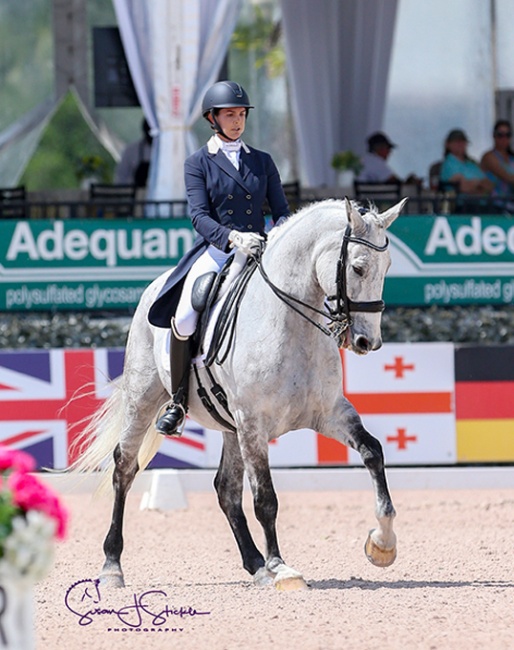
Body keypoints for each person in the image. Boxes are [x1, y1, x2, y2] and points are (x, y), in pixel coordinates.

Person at [148, 80, 290, 437]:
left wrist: (277, 238)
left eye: (241, 114)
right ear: (213, 118)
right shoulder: (198, 162)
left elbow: (283, 211)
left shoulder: (262, 161)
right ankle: (179, 400)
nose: (237, 121)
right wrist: (231, 237)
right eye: (230, 114)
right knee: (183, 317)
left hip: (261, 248)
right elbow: (199, 216)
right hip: (218, 249)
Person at [439, 129, 493, 195]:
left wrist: (475, 184)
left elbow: (489, 185)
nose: (460, 144)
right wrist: (478, 184)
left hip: (483, 202)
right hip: (462, 203)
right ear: (448, 144)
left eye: (463, 141)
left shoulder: (472, 164)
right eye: (456, 141)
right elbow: (463, 187)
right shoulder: (448, 164)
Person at [114, 118, 153, 187]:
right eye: (149, 131)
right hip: (135, 195)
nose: (151, 135)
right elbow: (120, 179)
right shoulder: (131, 150)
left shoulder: (168, 152)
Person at [480, 119, 514, 196]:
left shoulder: (511, 158)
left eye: (507, 135)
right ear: (494, 136)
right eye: (500, 135)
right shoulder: (488, 157)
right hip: (494, 203)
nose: (504, 138)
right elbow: (505, 175)